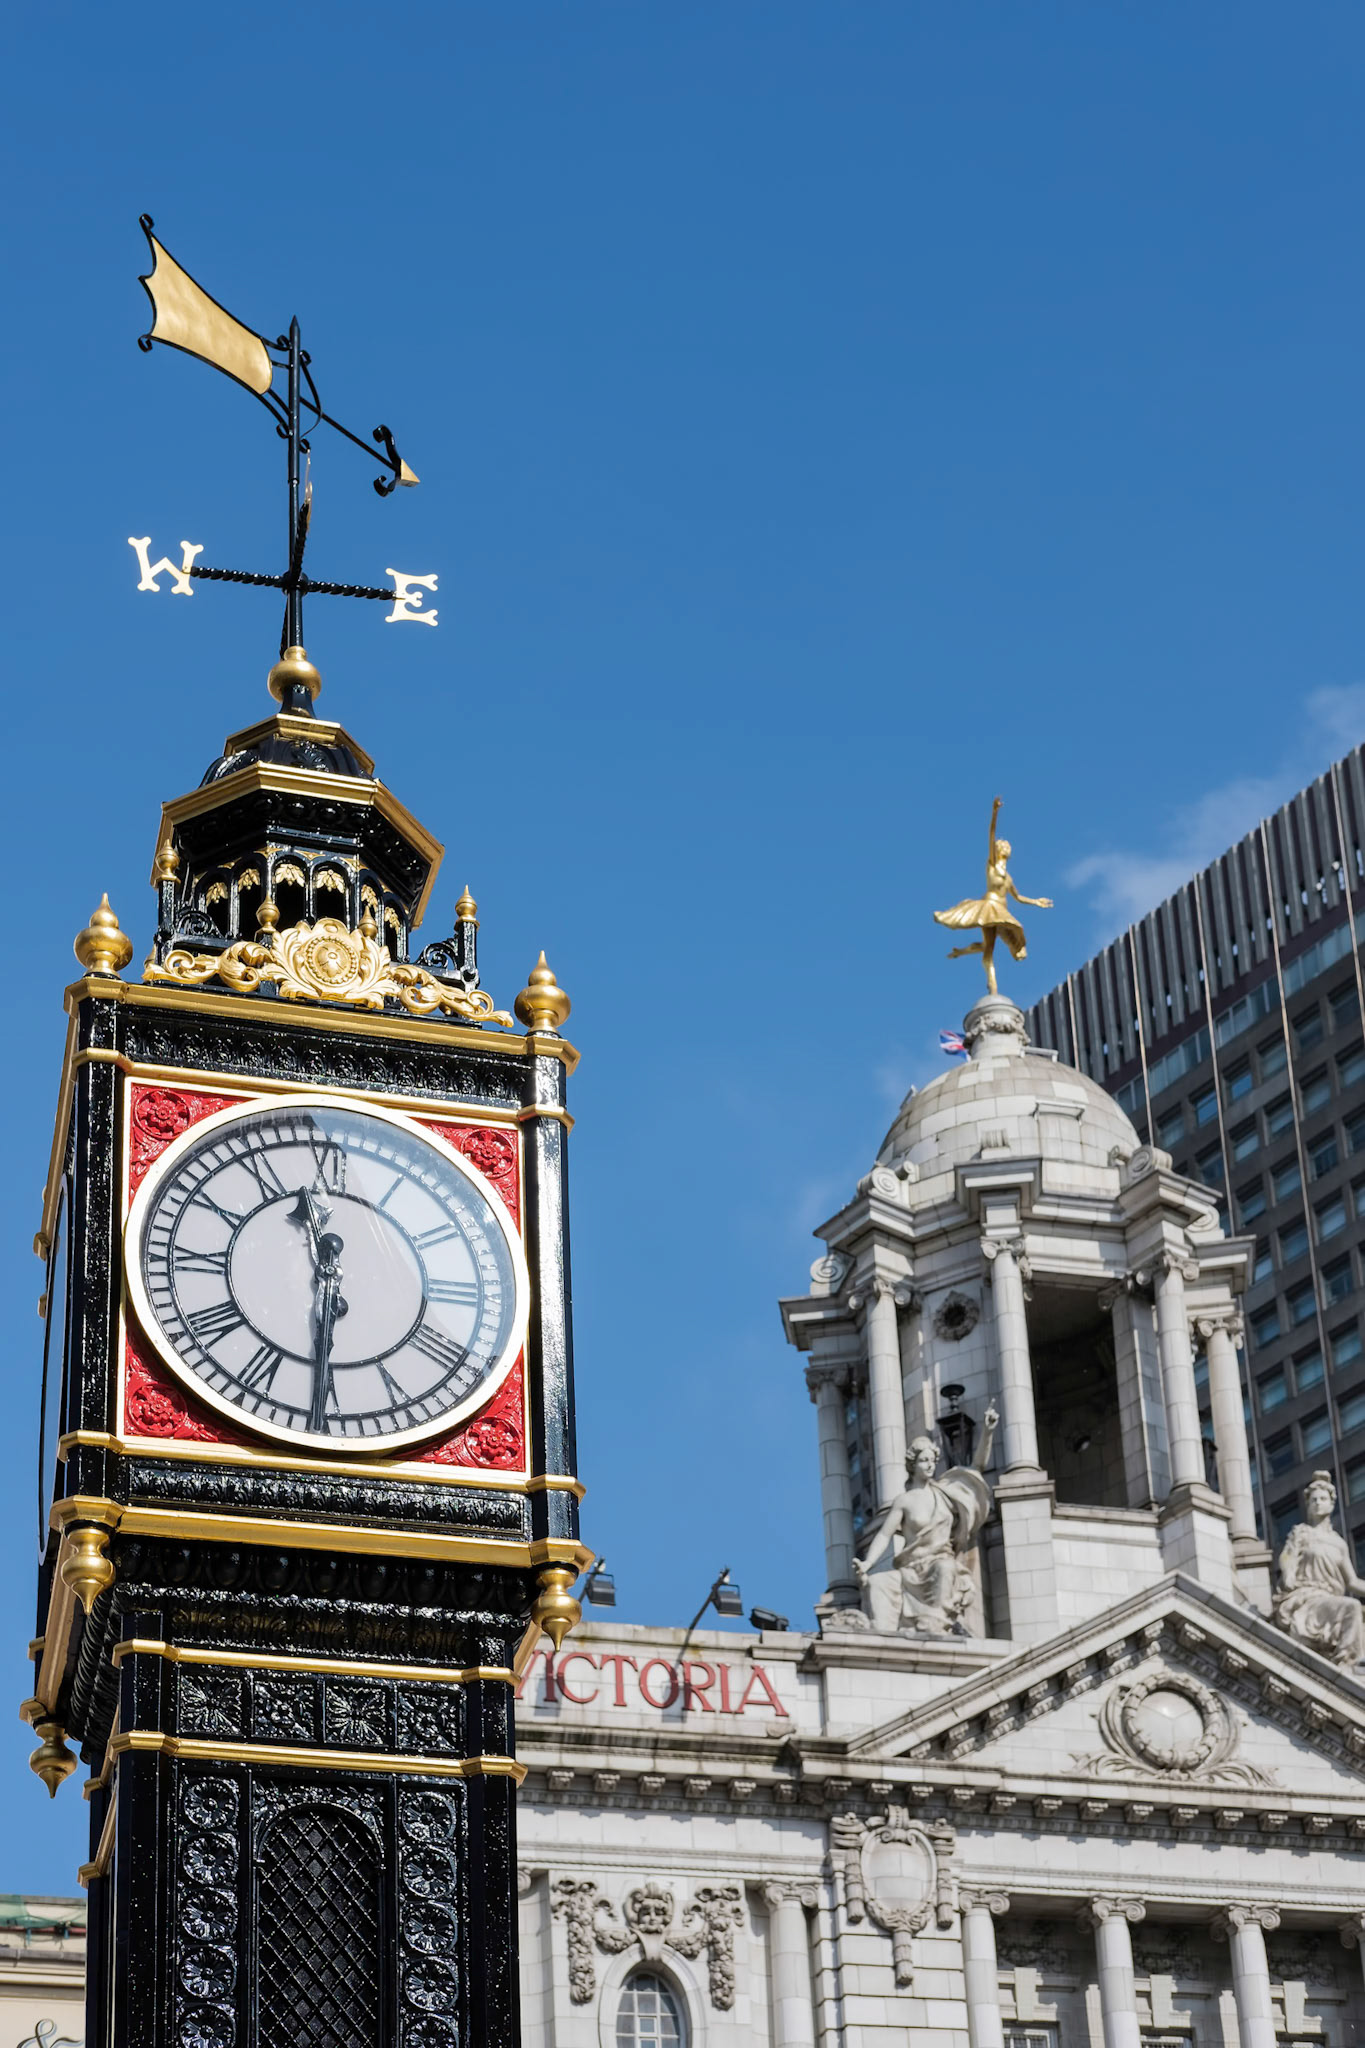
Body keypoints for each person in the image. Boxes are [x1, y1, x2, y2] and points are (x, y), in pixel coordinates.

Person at [853, 1406, 999, 1634]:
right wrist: (867, 1564)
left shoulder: (946, 1493)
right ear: (913, 1465)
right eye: (924, 1460)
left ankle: (935, 1626)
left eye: (932, 1460)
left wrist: (988, 1432)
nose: (930, 1465)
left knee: (945, 1568)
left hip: (938, 1565)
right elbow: (884, 1535)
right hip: (910, 1570)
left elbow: (976, 1469)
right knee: (877, 1583)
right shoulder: (904, 1501)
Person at [934, 797, 1052, 996]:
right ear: (998, 851)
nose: (1005, 848)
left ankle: (963, 952)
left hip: (1002, 911)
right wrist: (995, 813)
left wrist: (1036, 902)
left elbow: (1018, 897)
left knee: (995, 945)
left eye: (1007, 847)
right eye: (1002, 846)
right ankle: (993, 985)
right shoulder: (991, 865)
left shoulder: (1009, 879)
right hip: (989, 908)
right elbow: (991, 834)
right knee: (990, 950)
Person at [1273, 1470, 1365, 1667]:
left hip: (1329, 1598)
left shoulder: (1338, 1543)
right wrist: (1288, 1572)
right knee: (1352, 1606)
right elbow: (1287, 1556)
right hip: (1307, 1598)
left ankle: (1349, 1660)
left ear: (1331, 1504)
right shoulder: (1301, 1533)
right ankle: (1348, 1659)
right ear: (1308, 1505)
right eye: (1313, 1499)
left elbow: (1352, 1582)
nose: (1317, 1503)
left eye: (1323, 1499)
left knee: (1354, 1610)